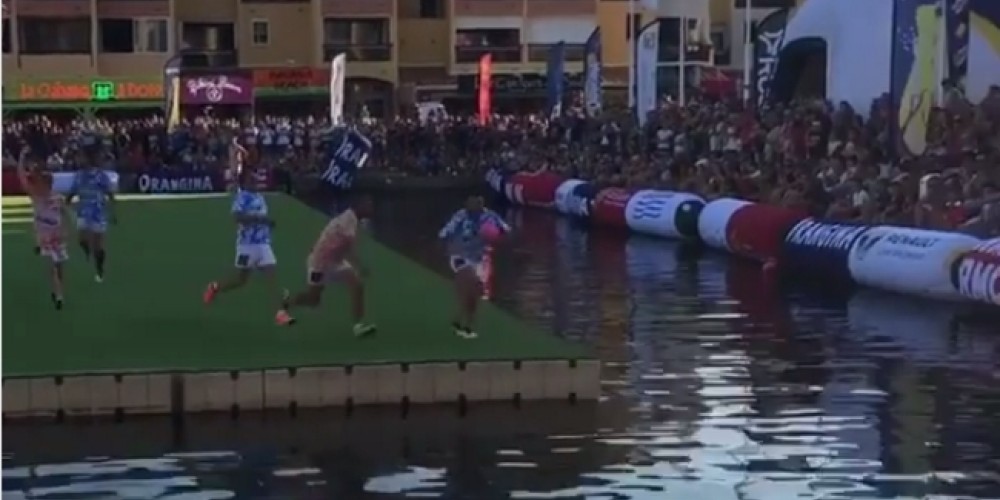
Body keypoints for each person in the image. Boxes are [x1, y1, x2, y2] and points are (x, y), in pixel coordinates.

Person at [279, 195, 377, 335]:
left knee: (357, 286)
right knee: (313, 300)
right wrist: (360, 266)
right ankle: (286, 303)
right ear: (359, 206)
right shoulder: (348, 222)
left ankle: (358, 326)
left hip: (335, 261)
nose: (370, 209)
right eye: (367, 205)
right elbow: (349, 249)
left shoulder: (352, 219)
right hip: (320, 263)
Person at [202, 166, 288, 320]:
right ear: (245, 182)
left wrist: (268, 223)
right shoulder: (242, 198)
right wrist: (260, 219)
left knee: (272, 275)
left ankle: (280, 314)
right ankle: (215, 287)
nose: (255, 180)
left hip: (263, 244)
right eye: (251, 178)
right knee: (240, 280)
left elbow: (262, 217)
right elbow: (237, 218)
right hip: (247, 245)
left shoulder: (260, 197)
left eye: (255, 177)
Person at [438, 194, 510, 339]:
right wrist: (449, 250)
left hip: (478, 258)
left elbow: (506, 232)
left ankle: (461, 322)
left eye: (476, 202)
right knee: (470, 283)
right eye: (469, 202)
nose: (471, 205)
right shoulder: (460, 216)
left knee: (473, 295)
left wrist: (493, 238)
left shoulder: (491, 217)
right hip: (460, 256)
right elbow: (444, 234)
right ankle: (466, 326)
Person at [16, 147, 70, 309]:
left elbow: (66, 213)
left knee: (59, 266)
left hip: (57, 235)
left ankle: (58, 290)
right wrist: (21, 158)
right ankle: (59, 295)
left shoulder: (56, 198)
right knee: (52, 266)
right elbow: (22, 178)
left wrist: (68, 228)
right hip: (45, 236)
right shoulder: (35, 195)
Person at [66, 148, 116, 283]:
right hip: (83, 213)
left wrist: (112, 211)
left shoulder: (101, 176)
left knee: (98, 246)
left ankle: (100, 269)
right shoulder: (79, 176)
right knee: (82, 239)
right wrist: (67, 202)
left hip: (98, 213)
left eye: (83, 158)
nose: (80, 161)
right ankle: (87, 252)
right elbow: (72, 192)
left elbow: (110, 194)